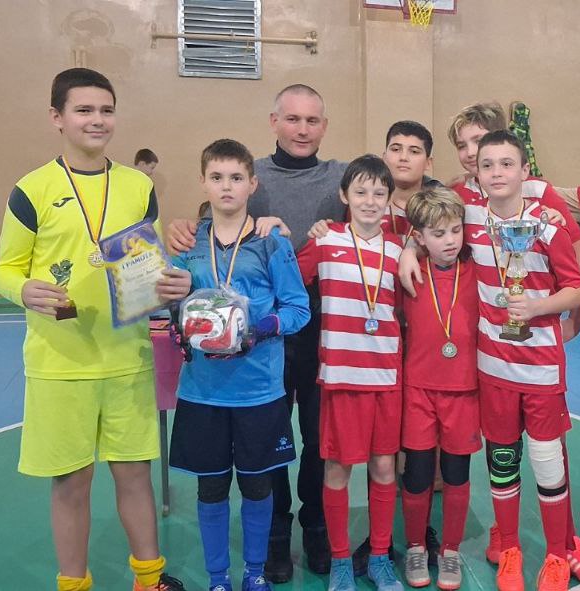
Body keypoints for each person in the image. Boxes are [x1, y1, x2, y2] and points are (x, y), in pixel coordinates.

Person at [0, 67, 189, 591]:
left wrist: (168, 285)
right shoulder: (32, 190)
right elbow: (4, 270)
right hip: (62, 363)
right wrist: (23, 290)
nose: (97, 120)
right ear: (57, 117)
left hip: (127, 358)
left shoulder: (138, 186)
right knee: (72, 484)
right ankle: (74, 584)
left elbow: (146, 266)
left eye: (106, 110)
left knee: (135, 477)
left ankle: (149, 579)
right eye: (83, 110)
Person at [166, 84, 348, 582]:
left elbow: (379, 204)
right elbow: (202, 246)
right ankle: (273, 541)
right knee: (256, 460)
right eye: (292, 119)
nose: (302, 129)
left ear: (324, 126)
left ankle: (315, 528)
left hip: (316, 327)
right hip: (243, 357)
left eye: (312, 120)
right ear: (274, 122)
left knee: (317, 438)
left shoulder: (340, 177)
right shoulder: (249, 178)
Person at [168, 139, 311, 591]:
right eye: (216, 177)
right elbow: (169, 302)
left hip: (258, 391)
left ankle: (254, 573)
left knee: (257, 487)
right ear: (203, 182)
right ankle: (218, 578)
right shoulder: (188, 242)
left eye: (235, 178)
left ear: (253, 184)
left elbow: (299, 309)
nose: (226, 186)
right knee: (210, 489)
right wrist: (176, 324)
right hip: (203, 390)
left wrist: (260, 329)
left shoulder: (271, 242)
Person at [463, 130, 580, 591]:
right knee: (502, 461)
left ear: (524, 171)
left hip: (541, 368)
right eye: (487, 165)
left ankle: (558, 555)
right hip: (493, 368)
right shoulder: (468, 220)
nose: (496, 173)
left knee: (547, 463)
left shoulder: (548, 223)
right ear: (476, 173)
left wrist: (538, 307)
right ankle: (510, 550)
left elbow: (577, 288)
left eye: (506, 164)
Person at [295, 155, 405, 591]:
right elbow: (287, 279)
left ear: (389, 199)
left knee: (384, 467)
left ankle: (379, 556)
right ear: (344, 195)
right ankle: (341, 560)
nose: (370, 201)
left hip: (386, 377)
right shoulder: (325, 241)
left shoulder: (400, 249)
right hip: (341, 377)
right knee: (338, 469)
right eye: (360, 192)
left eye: (379, 192)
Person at [400, 102, 580, 344]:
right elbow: (432, 232)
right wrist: (409, 250)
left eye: (478, 140)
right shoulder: (458, 192)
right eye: (461, 145)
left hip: (533, 329)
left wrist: (575, 322)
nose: (471, 152)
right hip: (481, 325)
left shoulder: (537, 190)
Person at [397, 187, 481, 590]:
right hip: (418, 390)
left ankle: (450, 550)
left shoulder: (478, 269)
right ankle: (416, 545)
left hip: (463, 390)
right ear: (419, 237)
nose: (450, 240)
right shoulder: (409, 270)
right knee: (416, 474)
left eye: (455, 230)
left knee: (456, 473)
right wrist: (404, 250)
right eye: (438, 233)